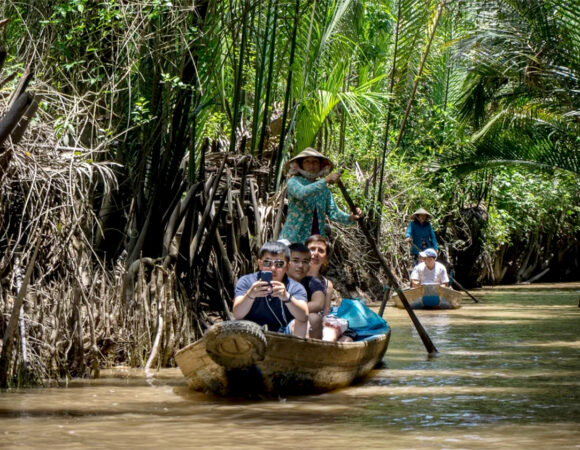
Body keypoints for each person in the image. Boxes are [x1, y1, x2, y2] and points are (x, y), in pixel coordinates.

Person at [279, 147, 361, 244]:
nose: (311, 165)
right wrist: (325, 180)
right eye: (307, 162)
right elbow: (301, 193)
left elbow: (333, 212)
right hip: (294, 237)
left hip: (316, 240)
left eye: (315, 162)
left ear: (320, 166)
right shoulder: (293, 181)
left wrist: (350, 217)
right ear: (300, 165)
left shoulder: (324, 190)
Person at [233, 241, 309, 337]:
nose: (272, 268)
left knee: (301, 321)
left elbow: (304, 316)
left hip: (283, 333)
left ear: (287, 266)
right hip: (250, 331)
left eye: (279, 264)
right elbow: (237, 314)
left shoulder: (295, 287)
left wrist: (287, 297)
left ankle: (294, 351)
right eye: (267, 263)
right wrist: (250, 295)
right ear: (260, 264)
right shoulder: (247, 281)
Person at [286, 243, 326, 339]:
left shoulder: (312, 282)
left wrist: (290, 309)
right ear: (286, 262)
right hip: (276, 324)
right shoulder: (278, 280)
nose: (300, 266)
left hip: (300, 323)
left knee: (314, 318)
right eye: (295, 261)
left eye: (305, 262)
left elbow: (318, 304)